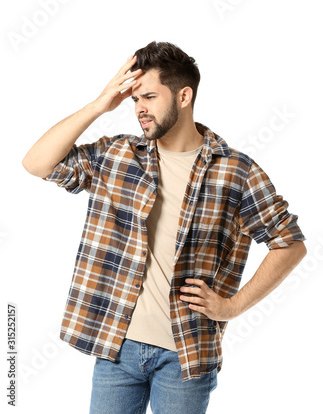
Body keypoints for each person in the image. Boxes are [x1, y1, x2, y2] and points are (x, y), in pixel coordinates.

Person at [21, 41, 307, 414]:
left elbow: (290, 243)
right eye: (134, 99)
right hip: (117, 346)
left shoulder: (236, 171)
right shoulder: (118, 155)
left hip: (185, 356)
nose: (139, 108)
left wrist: (233, 306)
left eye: (150, 96)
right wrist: (97, 105)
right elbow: (37, 163)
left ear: (184, 95)